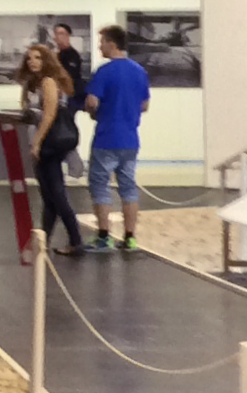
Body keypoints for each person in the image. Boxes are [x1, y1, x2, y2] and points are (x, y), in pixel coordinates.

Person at [85, 23, 151, 252]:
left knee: (100, 186)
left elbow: (92, 102)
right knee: (128, 188)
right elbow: (145, 105)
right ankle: (130, 237)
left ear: (111, 44)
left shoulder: (104, 72)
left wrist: (95, 112)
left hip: (106, 138)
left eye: (102, 42)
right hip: (130, 140)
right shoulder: (139, 71)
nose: (99, 47)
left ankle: (104, 236)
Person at [22, 43, 84, 255]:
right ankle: (44, 240)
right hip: (43, 142)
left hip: (50, 143)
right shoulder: (33, 83)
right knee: (49, 196)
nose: (32, 61)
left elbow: (49, 114)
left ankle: (75, 240)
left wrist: (37, 142)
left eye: (37, 57)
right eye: (29, 58)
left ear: (46, 60)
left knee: (56, 195)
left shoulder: (48, 82)